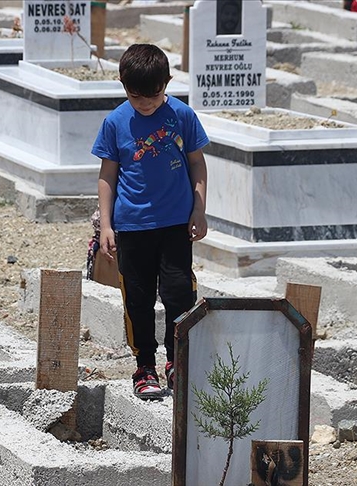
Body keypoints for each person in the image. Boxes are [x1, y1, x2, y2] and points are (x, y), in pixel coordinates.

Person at [92, 44, 209, 401]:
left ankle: (178, 359)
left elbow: (196, 164)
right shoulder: (115, 122)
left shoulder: (182, 115)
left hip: (175, 224)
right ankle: (144, 365)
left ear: (168, 83)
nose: (145, 104)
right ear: (123, 85)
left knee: (178, 292)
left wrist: (199, 209)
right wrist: (107, 225)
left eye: (153, 95)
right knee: (138, 299)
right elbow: (107, 175)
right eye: (135, 96)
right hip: (132, 226)